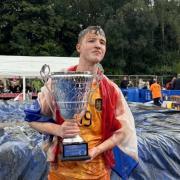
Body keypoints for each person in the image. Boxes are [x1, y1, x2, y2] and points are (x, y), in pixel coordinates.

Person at [25, 26, 138, 180]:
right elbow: (32, 120)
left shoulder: (111, 89)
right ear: (79, 47)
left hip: (97, 171)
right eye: (91, 40)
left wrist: (96, 151)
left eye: (102, 42)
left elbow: (123, 132)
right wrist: (59, 130)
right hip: (61, 172)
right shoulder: (58, 82)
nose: (98, 45)